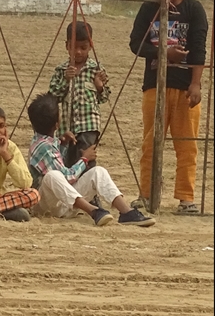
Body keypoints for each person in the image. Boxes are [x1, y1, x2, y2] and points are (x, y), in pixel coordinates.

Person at [128, 0, 208, 214]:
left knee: (187, 146)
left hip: (184, 86)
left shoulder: (194, 10)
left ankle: (186, 198)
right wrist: (164, 53)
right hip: (154, 85)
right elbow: (136, 44)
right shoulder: (147, 10)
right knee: (151, 144)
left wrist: (195, 84)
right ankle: (147, 194)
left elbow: (198, 48)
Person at [26, 93, 155, 227]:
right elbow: (67, 177)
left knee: (98, 172)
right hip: (44, 206)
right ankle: (93, 211)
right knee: (52, 176)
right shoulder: (42, 147)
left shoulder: (46, 141)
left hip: (63, 202)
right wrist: (84, 159)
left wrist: (62, 144)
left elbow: (56, 162)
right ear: (57, 124)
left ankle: (126, 212)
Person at [48, 20, 108, 169]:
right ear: (67, 46)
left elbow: (104, 97)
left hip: (89, 124)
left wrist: (99, 87)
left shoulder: (96, 69)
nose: (78, 52)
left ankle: (88, 182)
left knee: (86, 158)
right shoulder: (61, 70)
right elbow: (53, 96)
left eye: (83, 47)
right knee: (66, 161)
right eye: (74, 47)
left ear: (91, 46)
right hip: (66, 126)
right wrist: (66, 80)